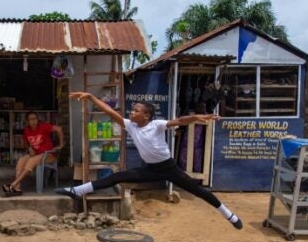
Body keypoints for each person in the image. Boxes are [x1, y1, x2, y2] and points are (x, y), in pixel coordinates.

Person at [55, 92, 243, 229]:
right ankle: (77, 191)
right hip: (150, 169)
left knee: (199, 191)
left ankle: (230, 215)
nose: (132, 112)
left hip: (169, 168)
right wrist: (90, 97)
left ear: (146, 115)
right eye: (132, 109)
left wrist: (200, 117)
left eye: (136, 110)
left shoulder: (157, 125)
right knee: (117, 177)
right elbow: (111, 112)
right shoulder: (131, 126)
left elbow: (182, 120)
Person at [3, 112, 64, 196]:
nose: (33, 121)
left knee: (31, 161)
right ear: (27, 121)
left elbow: (59, 129)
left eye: (35, 118)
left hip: (49, 155)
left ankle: (13, 184)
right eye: (31, 119)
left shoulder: (43, 126)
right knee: (21, 160)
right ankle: (17, 188)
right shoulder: (27, 130)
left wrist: (60, 145)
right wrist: (29, 148)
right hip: (36, 154)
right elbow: (25, 143)